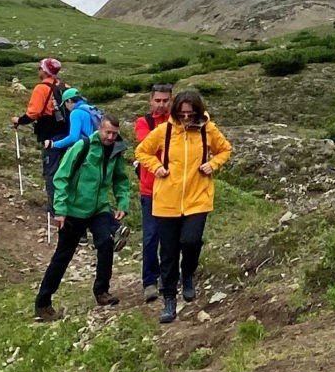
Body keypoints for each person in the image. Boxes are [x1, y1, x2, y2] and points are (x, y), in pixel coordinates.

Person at [131, 88, 230, 324]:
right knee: (168, 251)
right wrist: (157, 168)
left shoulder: (208, 129)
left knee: (191, 241)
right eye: (182, 114)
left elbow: (225, 149)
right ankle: (169, 299)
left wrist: (213, 164)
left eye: (190, 114)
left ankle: (187, 274)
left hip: (198, 197)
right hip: (166, 200)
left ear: (197, 111)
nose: (186, 118)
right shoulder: (165, 131)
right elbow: (142, 151)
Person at [35, 110, 128, 320]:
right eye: (107, 132)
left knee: (106, 244)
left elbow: (120, 179)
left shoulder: (116, 151)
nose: (110, 137)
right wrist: (60, 209)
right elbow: (61, 177)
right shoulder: (82, 147)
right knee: (63, 256)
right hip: (74, 210)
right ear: (99, 129)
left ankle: (102, 291)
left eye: (114, 133)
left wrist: (122, 202)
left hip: (99, 208)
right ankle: (43, 302)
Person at [133, 85, 173, 297]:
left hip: (174, 188)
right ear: (151, 101)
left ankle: (169, 277)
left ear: (171, 100)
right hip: (150, 188)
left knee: (172, 236)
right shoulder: (143, 122)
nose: (161, 104)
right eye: (158, 100)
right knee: (150, 237)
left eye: (165, 100)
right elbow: (146, 145)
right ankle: (149, 281)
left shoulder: (177, 121)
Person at [15, 57, 69, 150]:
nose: (38, 70)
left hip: (48, 130)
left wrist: (19, 120)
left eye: (40, 68)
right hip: (66, 129)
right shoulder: (63, 86)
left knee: (51, 160)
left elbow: (33, 113)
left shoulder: (41, 88)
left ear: (45, 71)